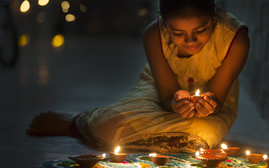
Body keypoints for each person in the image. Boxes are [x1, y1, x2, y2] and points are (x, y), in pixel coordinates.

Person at [26, 0, 249, 153]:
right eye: (178, 33)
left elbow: (218, 101)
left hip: (213, 107)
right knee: (109, 125)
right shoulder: (154, 35)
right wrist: (175, 101)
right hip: (159, 91)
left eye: (200, 30)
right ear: (164, 22)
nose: (190, 41)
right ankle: (76, 121)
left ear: (214, 15)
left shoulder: (234, 39)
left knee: (202, 135)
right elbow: (165, 98)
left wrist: (208, 105)